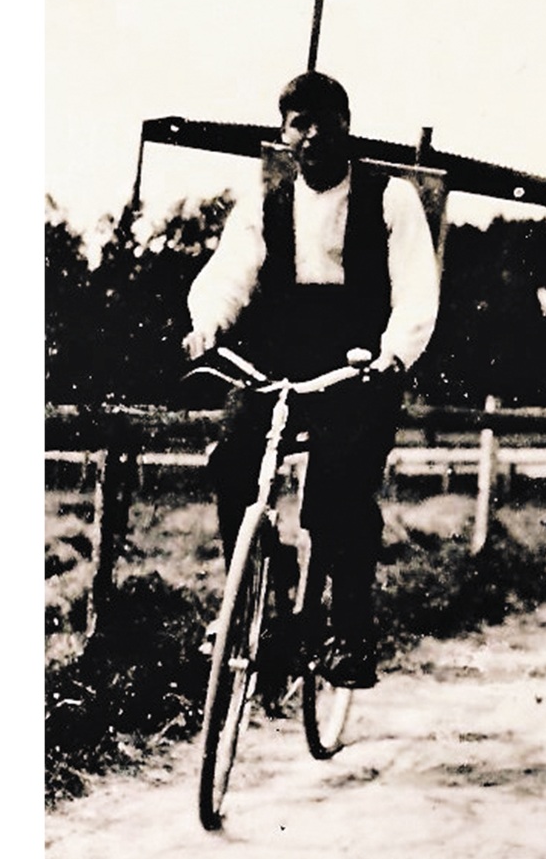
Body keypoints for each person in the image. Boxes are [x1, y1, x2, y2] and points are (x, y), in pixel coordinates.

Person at [183, 71, 440, 689]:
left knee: (338, 491)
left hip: (358, 365)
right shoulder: (268, 202)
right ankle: (256, 607)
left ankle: (351, 634)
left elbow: (414, 288)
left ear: (348, 125)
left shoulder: (390, 197)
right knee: (234, 458)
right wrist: (206, 326)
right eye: (301, 123)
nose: (315, 134)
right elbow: (229, 277)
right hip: (282, 358)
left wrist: (393, 356)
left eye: (328, 119)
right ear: (285, 134)